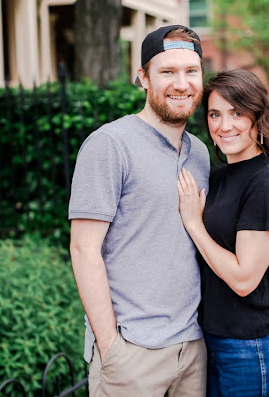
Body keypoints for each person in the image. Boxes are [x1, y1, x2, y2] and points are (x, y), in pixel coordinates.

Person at [68, 25, 210, 397]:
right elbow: (84, 249)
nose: (181, 83)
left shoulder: (199, 152)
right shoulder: (110, 145)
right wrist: (111, 346)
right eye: (167, 72)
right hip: (132, 354)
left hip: (194, 348)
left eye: (190, 71)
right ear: (143, 78)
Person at [177, 69, 269, 397]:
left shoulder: (267, 181)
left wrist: (194, 224)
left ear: (258, 117)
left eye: (237, 113)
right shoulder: (221, 177)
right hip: (220, 343)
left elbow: (244, 279)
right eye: (215, 114)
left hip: (257, 350)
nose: (224, 125)